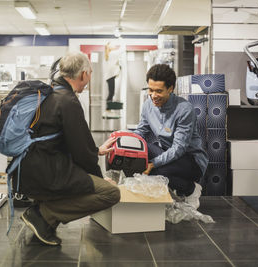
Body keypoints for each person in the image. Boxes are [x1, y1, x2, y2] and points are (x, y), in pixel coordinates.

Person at [16, 51, 121, 246]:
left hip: (27, 171)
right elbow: (82, 153)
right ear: (83, 75)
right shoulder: (68, 101)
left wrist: (96, 150)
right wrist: (98, 178)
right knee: (110, 193)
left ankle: (43, 213)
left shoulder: (49, 94)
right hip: (46, 172)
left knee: (82, 178)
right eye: (90, 73)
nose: (89, 78)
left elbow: (63, 140)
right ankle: (43, 215)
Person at [134, 64, 208, 209]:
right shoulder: (148, 105)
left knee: (156, 171)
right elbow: (140, 132)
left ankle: (191, 190)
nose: (153, 96)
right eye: (150, 90)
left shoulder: (184, 109)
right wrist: (126, 144)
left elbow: (179, 148)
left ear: (171, 88)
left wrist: (153, 163)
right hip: (169, 155)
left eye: (159, 91)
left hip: (190, 160)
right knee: (139, 153)